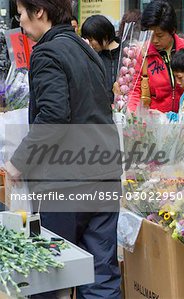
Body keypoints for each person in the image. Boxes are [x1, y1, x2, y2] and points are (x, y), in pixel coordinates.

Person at [6, 0, 122, 297]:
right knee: (100, 272)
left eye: (20, 13)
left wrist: (19, 160)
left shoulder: (47, 52)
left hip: (66, 182)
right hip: (104, 174)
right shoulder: (86, 50)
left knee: (51, 271)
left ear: (39, 12)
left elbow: (53, 116)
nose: (19, 21)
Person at [128, 0, 184, 113]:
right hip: (155, 122)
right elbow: (135, 90)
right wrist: (133, 116)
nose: (154, 40)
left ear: (172, 30)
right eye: (150, 34)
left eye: (160, 35)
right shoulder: (142, 53)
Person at [81, 15, 121, 104]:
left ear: (104, 36)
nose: (89, 44)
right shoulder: (92, 57)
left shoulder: (127, 52)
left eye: (91, 40)